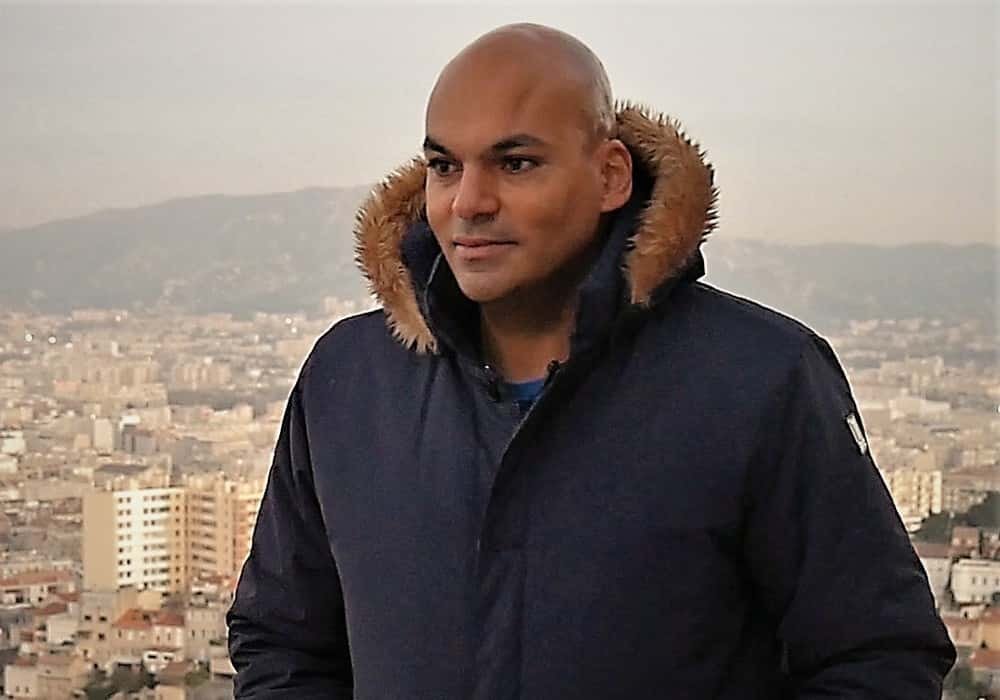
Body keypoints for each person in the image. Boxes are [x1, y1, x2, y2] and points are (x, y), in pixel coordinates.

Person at [226, 22, 956, 699]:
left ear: (610, 176)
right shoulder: (350, 380)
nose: (468, 202)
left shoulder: (759, 380)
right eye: (444, 166)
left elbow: (877, 656)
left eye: (516, 163)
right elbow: (283, 640)